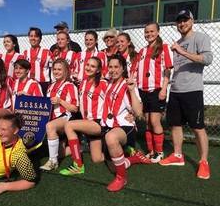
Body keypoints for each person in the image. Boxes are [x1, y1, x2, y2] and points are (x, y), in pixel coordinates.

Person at [59, 56, 151, 176]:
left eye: (93, 66)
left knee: (69, 126)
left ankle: (78, 165)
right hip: (94, 123)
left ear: (99, 70)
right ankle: (133, 156)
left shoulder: (103, 83)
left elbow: (131, 103)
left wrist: (133, 113)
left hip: (99, 122)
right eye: (88, 65)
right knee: (98, 159)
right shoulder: (85, 83)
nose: (89, 68)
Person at [159, 10, 213, 180]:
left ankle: (203, 162)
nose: (182, 23)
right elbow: (171, 67)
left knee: (198, 128)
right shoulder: (176, 43)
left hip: (193, 90)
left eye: (185, 20)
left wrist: (181, 52)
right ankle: (177, 155)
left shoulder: (200, 38)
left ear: (192, 21)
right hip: (175, 91)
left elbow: (207, 59)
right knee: (175, 125)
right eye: (179, 21)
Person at [101, 55, 143, 192]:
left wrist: (131, 89)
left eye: (116, 67)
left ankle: (121, 179)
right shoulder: (109, 83)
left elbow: (138, 111)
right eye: (110, 67)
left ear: (123, 68)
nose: (113, 70)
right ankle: (134, 158)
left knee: (111, 138)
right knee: (111, 164)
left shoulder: (128, 85)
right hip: (109, 125)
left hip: (125, 127)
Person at [136, 21, 173, 163]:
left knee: (154, 121)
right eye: (146, 32)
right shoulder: (142, 51)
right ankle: (151, 151)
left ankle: (160, 152)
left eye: (152, 31)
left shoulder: (164, 48)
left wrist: (164, 89)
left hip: (156, 89)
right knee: (147, 122)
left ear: (158, 32)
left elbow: (167, 70)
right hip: (143, 90)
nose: (149, 34)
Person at [39, 59, 79, 171]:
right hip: (54, 119)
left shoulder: (70, 86)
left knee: (50, 126)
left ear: (66, 71)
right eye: (54, 69)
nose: (56, 72)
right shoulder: (51, 86)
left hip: (66, 117)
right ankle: (80, 147)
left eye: (59, 69)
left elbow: (75, 108)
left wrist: (61, 101)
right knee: (60, 153)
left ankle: (53, 162)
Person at [23, 27, 52, 95]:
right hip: (28, 82)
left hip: (43, 83)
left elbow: (53, 68)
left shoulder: (47, 52)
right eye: (31, 36)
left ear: (40, 39)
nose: (33, 38)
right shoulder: (25, 53)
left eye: (36, 36)